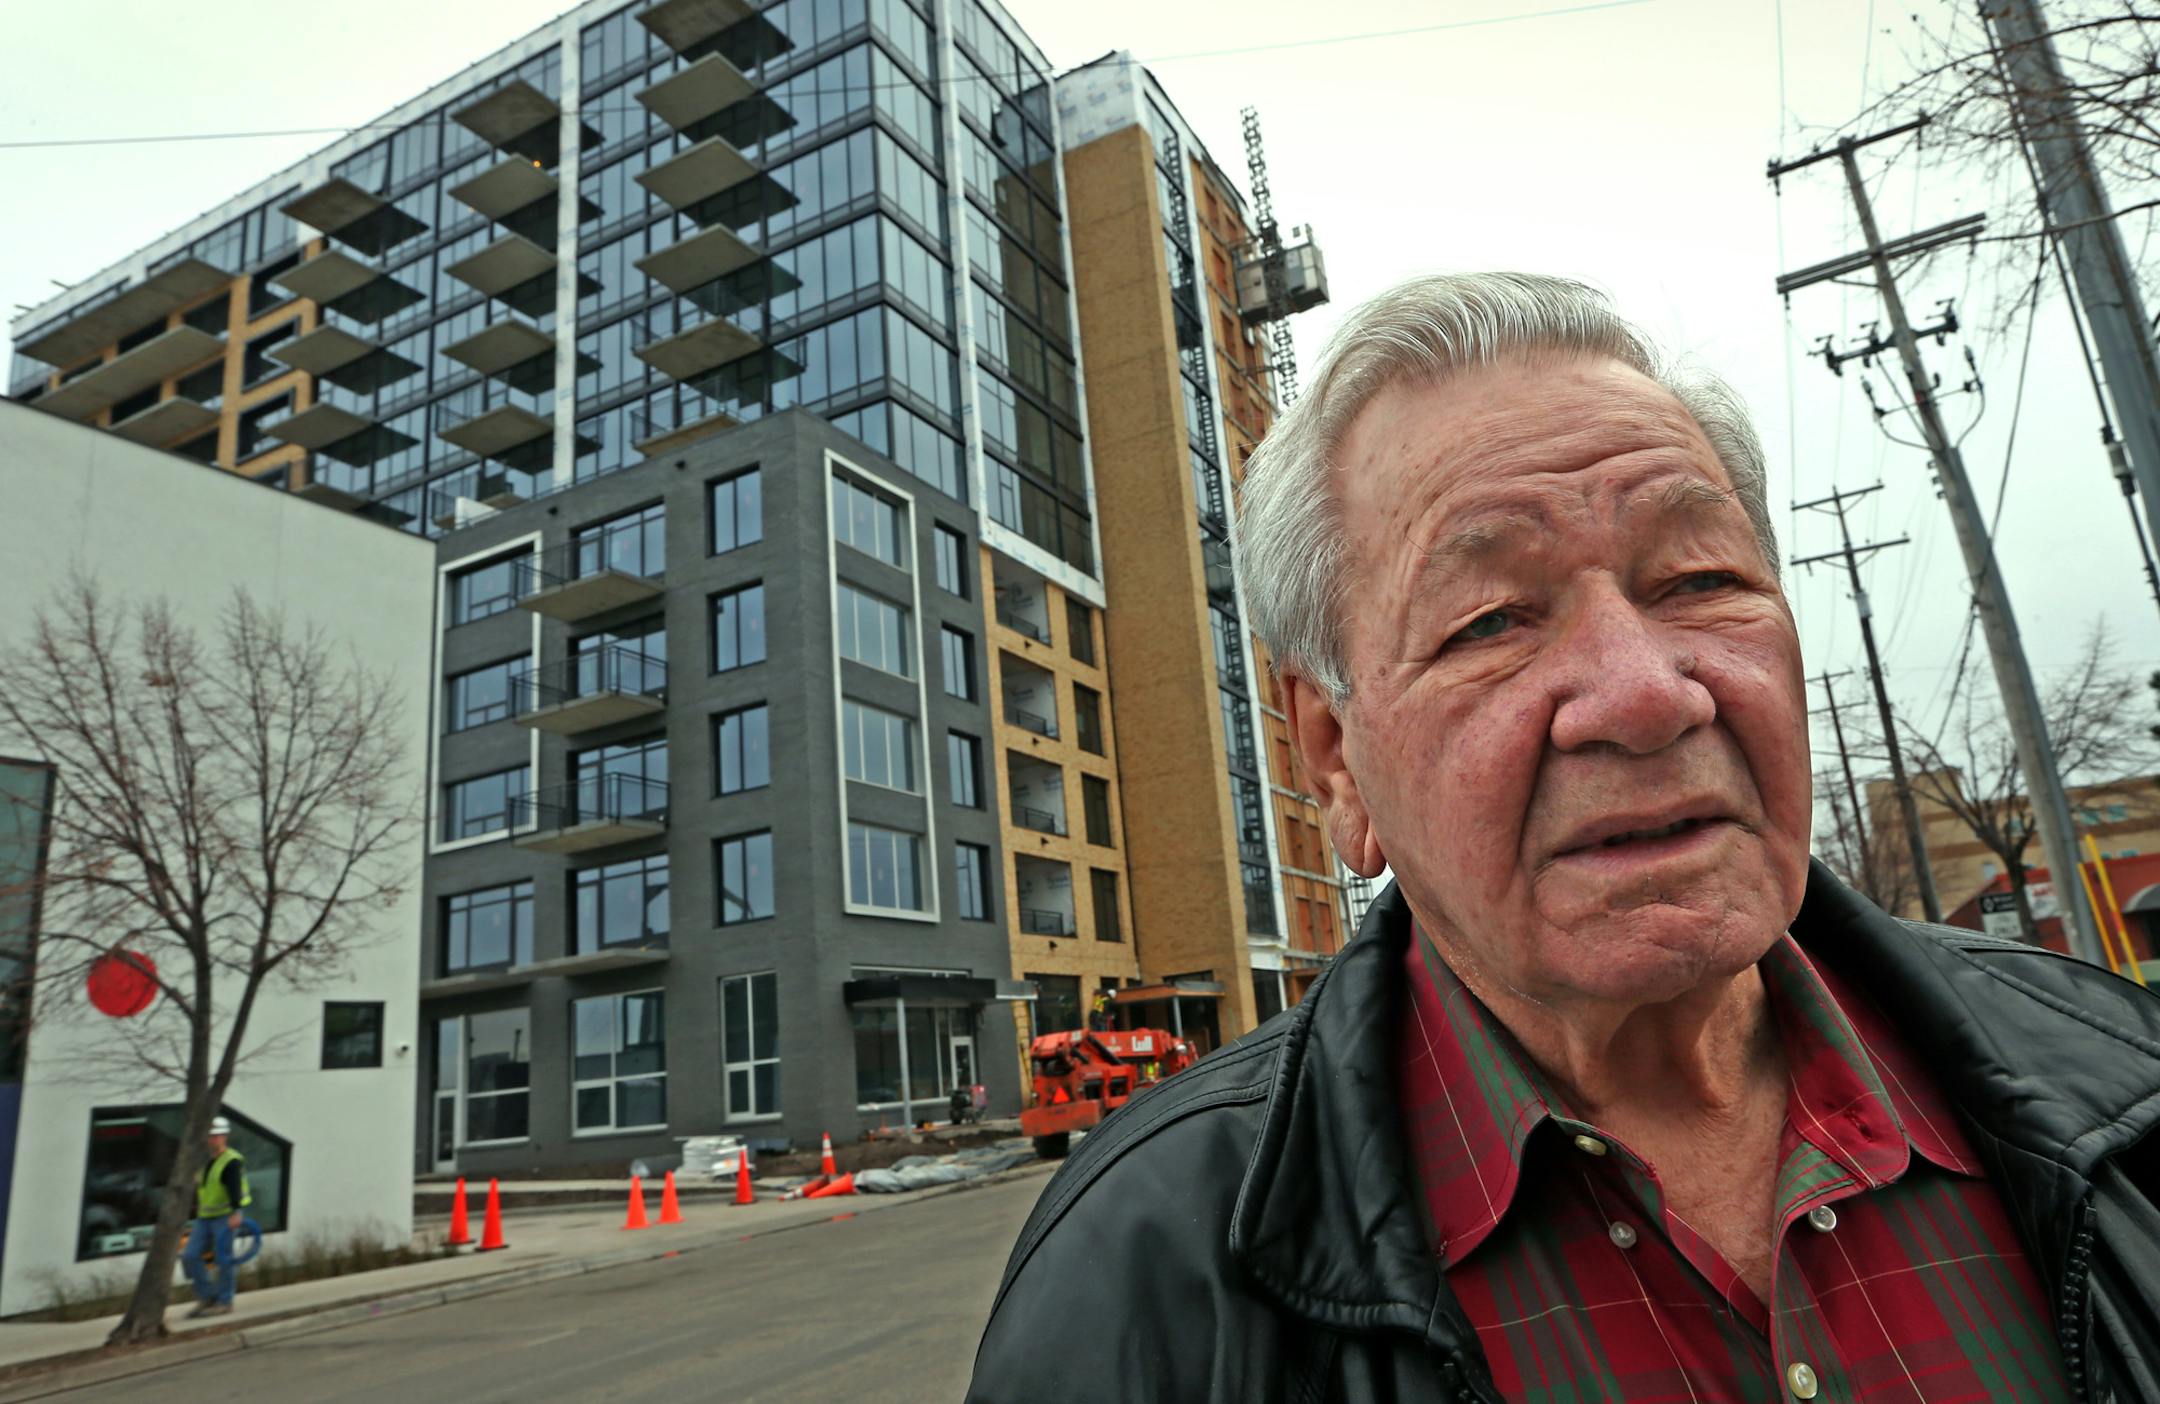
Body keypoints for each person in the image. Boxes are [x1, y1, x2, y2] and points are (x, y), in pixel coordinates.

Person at [968, 273, 2160, 1402]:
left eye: (1698, 578)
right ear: (1334, 755)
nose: (1647, 694)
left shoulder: (2122, 1085)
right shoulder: (1148, 1276)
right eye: (1491, 618)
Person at [180, 1115, 249, 1319]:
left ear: (224, 1137)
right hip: (205, 1218)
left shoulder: (231, 1161)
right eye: (210, 1136)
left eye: (217, 1135)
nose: (213, 1139)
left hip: (225, 1217)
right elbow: (206, 1187)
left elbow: (235, 1187)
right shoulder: (209, 1162)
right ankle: (207, 1297)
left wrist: (237, 1212)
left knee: (223, 1259)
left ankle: (225, 1302)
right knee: (190, 1255)